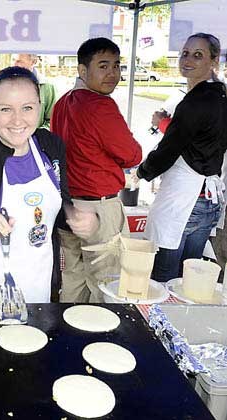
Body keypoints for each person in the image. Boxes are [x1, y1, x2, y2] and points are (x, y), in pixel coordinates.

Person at [0, 66, 94, 303]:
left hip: (41, 285)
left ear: (39, 105)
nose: (17, 120)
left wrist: (75, 218)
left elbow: (60, 204)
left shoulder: (51, 145)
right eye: (6, 109)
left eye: (27, 108)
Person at [51, 37, 142, 303]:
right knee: (106, 283)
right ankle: (98, 341)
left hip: (69, 205)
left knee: (74, 277)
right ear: (83, 70)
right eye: (103, 66)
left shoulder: (62, 102)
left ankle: (67, 336)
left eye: (116, 66)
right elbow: (132, 154)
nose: (112, 73)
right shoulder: (100, 105)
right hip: (98, 207)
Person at [136, 33, 227, 282]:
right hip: (208, 201)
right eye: (185, 53)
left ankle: (162, 321)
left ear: (213, 60)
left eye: (198, 55)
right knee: (188, 278)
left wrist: (140, 173)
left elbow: (168, 150)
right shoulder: (220, 95)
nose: (188, 60)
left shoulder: (196, 101)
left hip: (185, 201)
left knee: (164, 278)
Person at [14, 53, 56, 129]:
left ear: (33, 62)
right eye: (14, 60)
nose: (15, 64)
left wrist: (35, 136)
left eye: (20, 61)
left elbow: (52, 121)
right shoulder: (4, 85)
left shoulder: (46, 86)